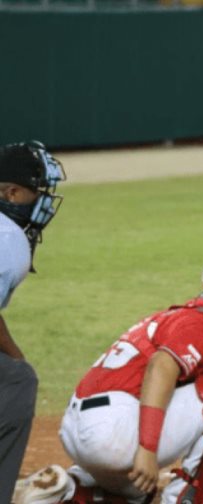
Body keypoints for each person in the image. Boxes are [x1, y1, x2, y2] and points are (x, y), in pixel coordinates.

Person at [16, 249, 203, 504]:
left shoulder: (190, 318)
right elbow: (161, 367)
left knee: (139, 493)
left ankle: (68, 490)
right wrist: (147, 450)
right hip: (114, 431)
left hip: (83, 429)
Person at [0, 141, 66, 503]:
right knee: (18, 379)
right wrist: (17, 356)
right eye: (36, 192)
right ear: (11, 192)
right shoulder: (8, 237)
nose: (43, 201)